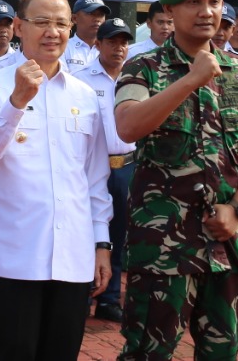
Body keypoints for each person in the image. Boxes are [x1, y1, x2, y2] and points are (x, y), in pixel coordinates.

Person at [113, 0, 238, 361]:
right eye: (193, 2)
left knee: (223, 352)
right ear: (168, 11)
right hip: (165, 248)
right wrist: (191, 80)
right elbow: (128, 126)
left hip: (227, 244)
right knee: (148, 353)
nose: (206, 11)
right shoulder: (144, 68)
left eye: (214, 2)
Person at [0, 0, 112, 359]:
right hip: (14, 257)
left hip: (73, 256)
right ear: (19, 27)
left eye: (62, 23)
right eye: (42, 22)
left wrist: (101, 244)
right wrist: (17, 101)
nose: (53, 32)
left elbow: (95, 178)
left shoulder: (84, 95)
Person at [79, 16, 137, 323]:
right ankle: (82, 291)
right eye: (112, 41)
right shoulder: (81, 78)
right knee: (88, 228)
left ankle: (110, 297)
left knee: (119, 232)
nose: (119, 48)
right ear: (98, 44)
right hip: (90, 167)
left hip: (126, 164)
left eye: (124, 42)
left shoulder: (137, 77)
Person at [65, 0, 109, 75]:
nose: (97, 19)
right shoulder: (63, 48)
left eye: (101, 14)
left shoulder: (109, 50)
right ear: (74, 18)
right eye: (91, 13)